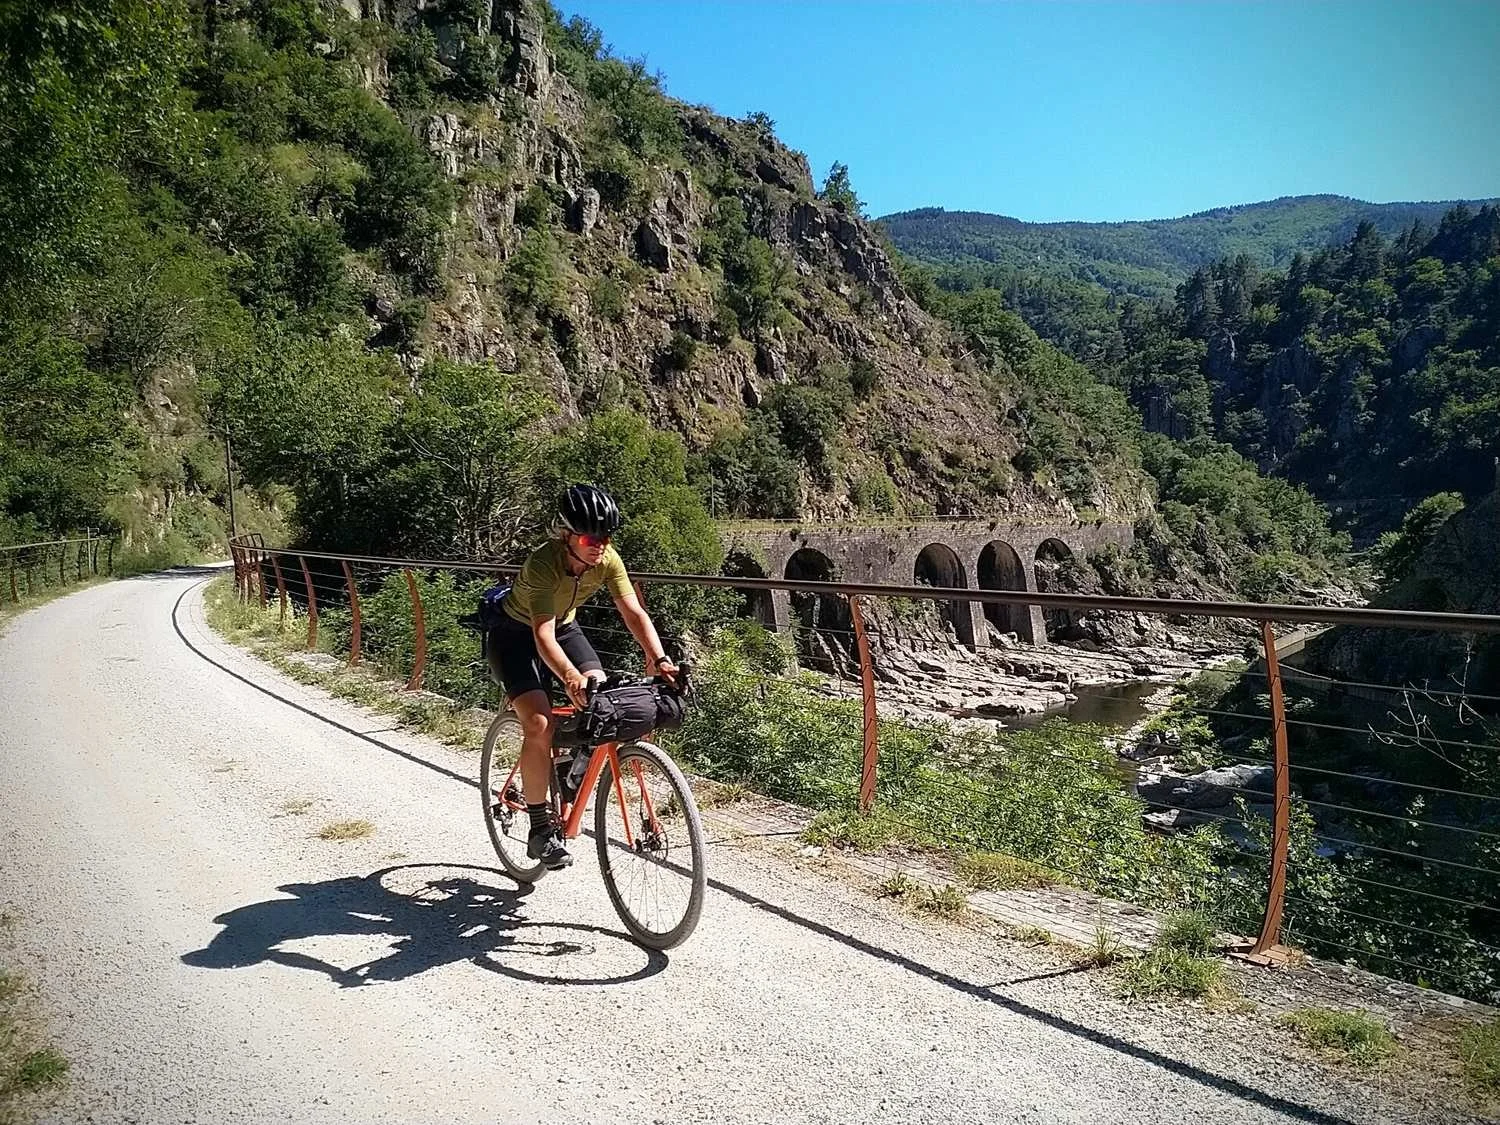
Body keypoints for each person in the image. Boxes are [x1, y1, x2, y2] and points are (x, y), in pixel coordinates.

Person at [488, 484, 678, 869]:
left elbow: (634, 613)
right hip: (516, 634)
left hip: (564, 629)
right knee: (539, 722)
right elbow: (541, 635)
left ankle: (568, 772)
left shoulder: (608, 560)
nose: (600, 546)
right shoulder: (544, 563)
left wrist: (660, 660)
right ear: (567, 535)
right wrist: (570, 677)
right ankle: (541, 828)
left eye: (606, 538)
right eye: (591, 537)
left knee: (603, 701)